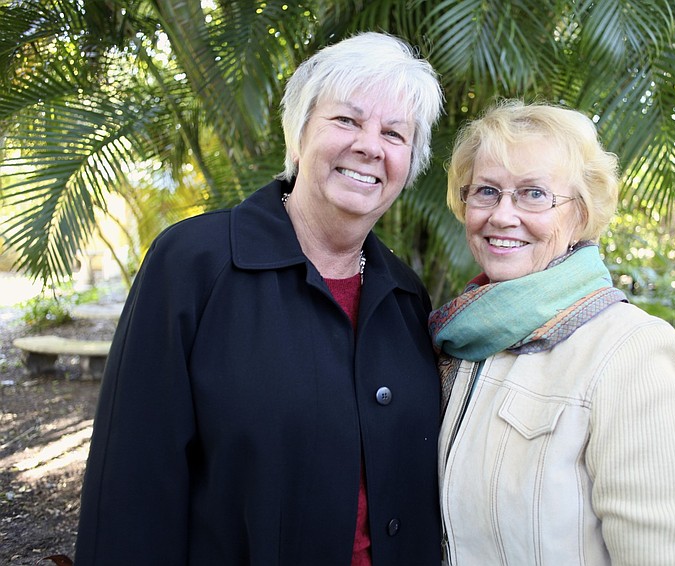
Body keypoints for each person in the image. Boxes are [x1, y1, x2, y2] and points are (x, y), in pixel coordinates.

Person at [75, 32, 444, 565]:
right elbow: (132, 484)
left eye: (395, 133)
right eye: (347, 121)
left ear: (409, 163)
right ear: (297, 136)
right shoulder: (193, 264)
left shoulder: (407, 297)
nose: (371, 145)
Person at [429, 100, 675, 565]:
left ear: (579, 214)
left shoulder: (630, 350)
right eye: (486, 191)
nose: (501, 215)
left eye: (533, 194)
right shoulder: (458, 338)